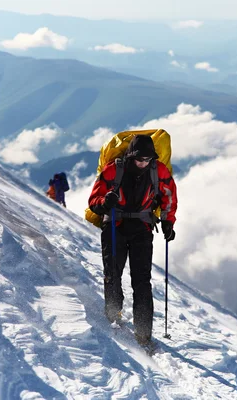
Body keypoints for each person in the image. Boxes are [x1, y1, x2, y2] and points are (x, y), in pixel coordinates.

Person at [88, 135, 177, 346]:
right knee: (113, 273)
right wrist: (104, 201)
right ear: (131, 155)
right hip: (114, 227)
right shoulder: (113, 169)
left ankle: (144, 332)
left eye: (147, 160)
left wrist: (168, 222)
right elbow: (93, 201)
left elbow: (169, 197)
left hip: (142, 229)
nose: (144, 163)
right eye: (140, 159)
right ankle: (113, 315)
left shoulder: (159, 171)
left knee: (142, 280)